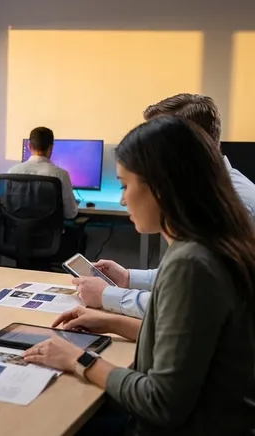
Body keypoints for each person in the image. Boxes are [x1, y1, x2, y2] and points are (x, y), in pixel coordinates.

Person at [23, 115, 255, 436]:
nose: (120, 198)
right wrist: (110, 322)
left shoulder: (191, 262)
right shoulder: (210, 243)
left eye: (124, 185)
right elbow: (189, 345)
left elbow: (161, 402)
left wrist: (79, 359)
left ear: (161, 187)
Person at [74, 93, 255, 317]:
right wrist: (128, 278)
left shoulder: (232, 205)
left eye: (154, 145)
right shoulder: (204, 194)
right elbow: (186, 281)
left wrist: (107, 296)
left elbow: (189, 305)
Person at [8, 127, 79, 219]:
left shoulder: (12, 172)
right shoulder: (61, 175)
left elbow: (8, 207)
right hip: (49, 232)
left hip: (18, 231)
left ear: (29, 147)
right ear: (51, 147)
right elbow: (70, 214)